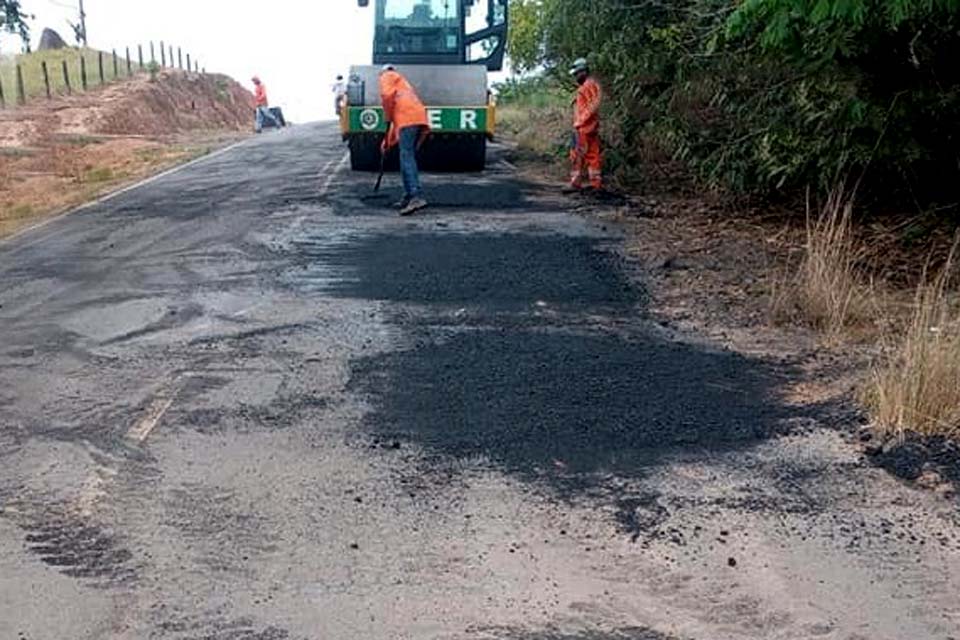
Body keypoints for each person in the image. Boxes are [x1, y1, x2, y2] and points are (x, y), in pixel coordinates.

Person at [379, 64, 430, 216]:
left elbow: (386, 96)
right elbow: (398, 122)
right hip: (415, 118)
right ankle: (409, 195)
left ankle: (416, 196)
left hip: (409, 120)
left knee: (406, 156)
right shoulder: (402, 83)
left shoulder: (386, 76)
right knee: (406, 155)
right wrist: (386, 142)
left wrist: (386, 115)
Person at [566, 58, 603, 193]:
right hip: (590, 127)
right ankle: (595, 184)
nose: (575, 77)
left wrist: (580, 121)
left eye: (577, 74)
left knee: (577, 155)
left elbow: (592, 106)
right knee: (593, 156)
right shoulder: (589, 86)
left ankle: (576, 183)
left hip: (584, 128)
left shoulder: (588, 86)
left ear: (584, 72)